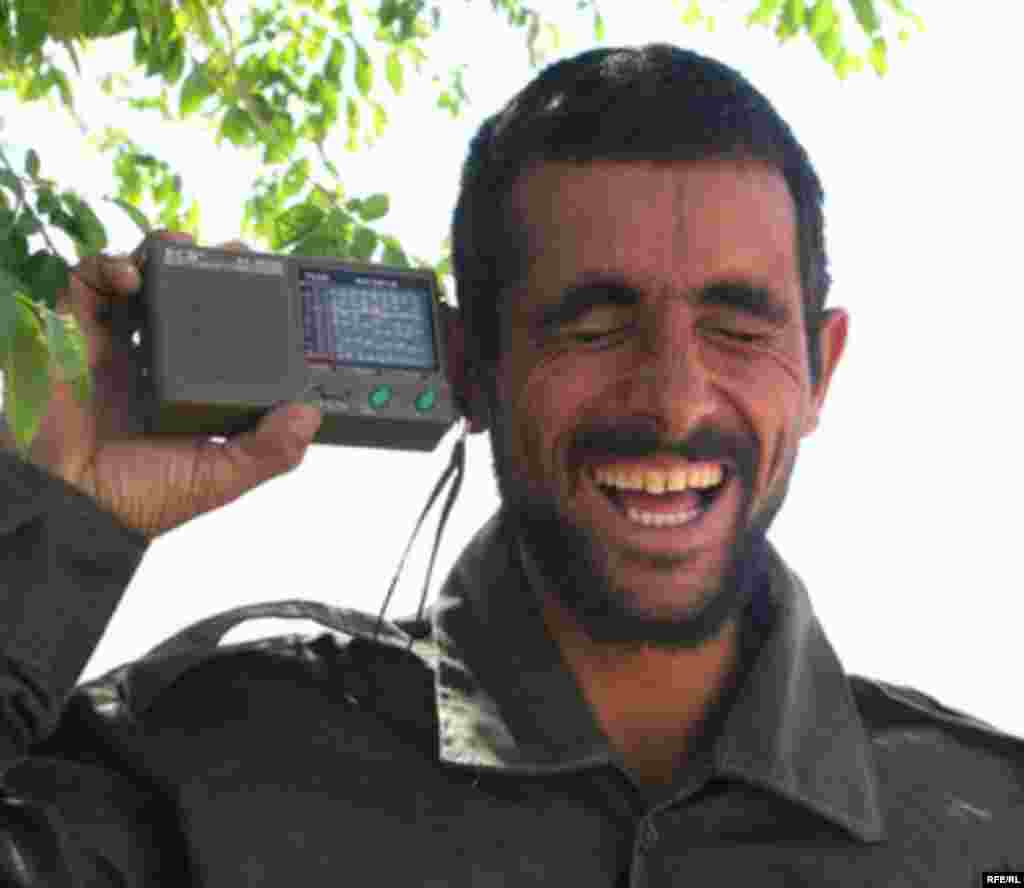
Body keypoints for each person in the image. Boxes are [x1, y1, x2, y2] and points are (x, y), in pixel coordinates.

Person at [1, 44, 1021, 886]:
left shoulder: (991, 825)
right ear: (470, 370)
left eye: (736, 327)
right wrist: (57, 528)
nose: (672, 400)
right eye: (591, 325)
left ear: (818, 368)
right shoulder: (192, 763)